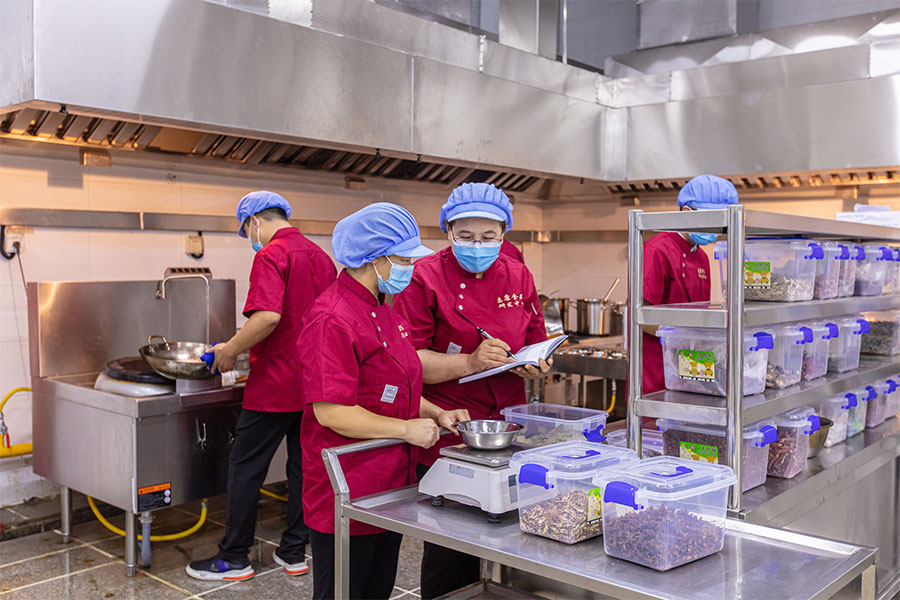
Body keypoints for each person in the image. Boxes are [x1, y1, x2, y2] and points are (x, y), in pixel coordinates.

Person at [298, 202, 471, 600]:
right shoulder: (331, 318)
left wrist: (437, 413)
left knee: (377, 589)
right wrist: (406, 430)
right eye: (404, 260)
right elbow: (332, 412)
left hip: (390, 484)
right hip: (348, 484)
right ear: (375, 259)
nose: (410, 267)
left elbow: (397, 388)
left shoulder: (386, 313)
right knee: (344, 591)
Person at [392, 182, 549, 599]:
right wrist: (471, 362)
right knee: (451, 549)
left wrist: (536, 363)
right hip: (452, 428)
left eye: (488, 236)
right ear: (447, 231)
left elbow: (535, 338)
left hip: (509, 427)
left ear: (504, 234)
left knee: (513, 541)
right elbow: (409, 364)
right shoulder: (423, 276)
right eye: (465, 236)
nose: (477, 246)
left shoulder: (517, 273)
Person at [187, 191, 336, 581]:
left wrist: (229, 350)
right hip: (314, 383)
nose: (249, 239)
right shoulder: (321, 257)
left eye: (245, 231)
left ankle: (235, 557)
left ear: (254, 221)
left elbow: (268, 317)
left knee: (246, 468)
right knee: (304, 468)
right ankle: (294, 552)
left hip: (275, 384)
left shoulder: (272, 254)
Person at [642, 174, 739, 395]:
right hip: (657, 373)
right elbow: (641, 317)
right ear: (687, 212)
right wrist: (684, 338)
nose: (716, 230)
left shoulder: (702, 256)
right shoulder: (657, 250)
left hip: (693, 371)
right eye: (712, 220)